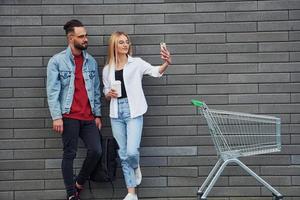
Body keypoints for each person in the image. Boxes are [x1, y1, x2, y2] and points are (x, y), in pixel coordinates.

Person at [102, 32, 171, 200]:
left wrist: (166, 63)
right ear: (114, 46)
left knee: (131, 153)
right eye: (121, 42)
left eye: (127, 42)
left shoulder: (137, 63)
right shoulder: (107, 69)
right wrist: (109, 93)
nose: (125, 45)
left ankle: (135, 164)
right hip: (116, 112)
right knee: (123, 153)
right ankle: (131, 193)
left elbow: (156, 71)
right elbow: (105, 92)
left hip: (134, 111)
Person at [46, 19, 102, 200]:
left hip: (88, 117)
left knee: (96, 151)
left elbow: (95, 90)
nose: (86, 39)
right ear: (71, 38)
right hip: (68, 115)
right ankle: (71, 194)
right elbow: (53, 91)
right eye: (81, 36)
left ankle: (79, 183)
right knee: (69, 153)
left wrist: (98, 114)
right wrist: (56, 117)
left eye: (86, 35)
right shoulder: (57, 61)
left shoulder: (91, 61)